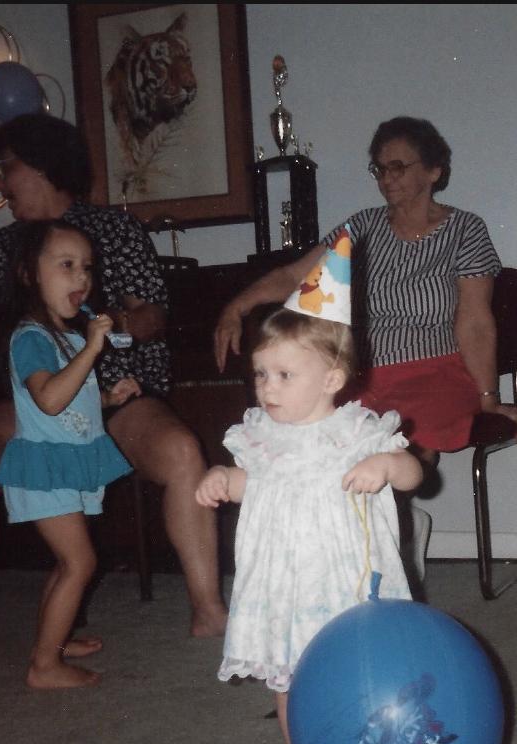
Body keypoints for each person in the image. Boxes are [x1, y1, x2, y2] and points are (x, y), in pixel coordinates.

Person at [0, 112, 228, 676]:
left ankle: (208, 610)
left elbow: (153, 317)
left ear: (43, 166)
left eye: (8, 168)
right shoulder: (2, 249)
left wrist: (101, 325)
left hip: (112, 393)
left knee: (182, 451)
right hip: (31, 402)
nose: (1, 183)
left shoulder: (113, 231)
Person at [214, 116, 517, 581]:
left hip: (436, 370)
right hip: (364, 372)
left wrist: (488, 398)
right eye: (379, 168)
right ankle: (347, 551)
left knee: (404, 441)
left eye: (399, 166)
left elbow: (475, 322)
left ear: (434, 170)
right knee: (323, 435)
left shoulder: (465, 230)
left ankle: (399, 531)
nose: (387, 178)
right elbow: (296, 275)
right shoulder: (362, 227)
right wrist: (237, 306)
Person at [196, 307, 423, 744]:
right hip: (285, 588)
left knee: (357, 676)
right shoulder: (260, 436)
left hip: (346, 585)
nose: (267, 386)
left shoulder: (356, 432)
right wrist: (224, 478)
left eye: (284, 375)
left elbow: (413, 475)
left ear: (331, 379)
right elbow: (255, 485)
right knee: (291, 680)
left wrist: (387, 464)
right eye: (261, 373)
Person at [0, 220, 137, 688]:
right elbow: (50, 400)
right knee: (80, 563)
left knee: (67, 562)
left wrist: (109, 398)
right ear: (28, 274)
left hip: (65, 464)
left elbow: (73, 401)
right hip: (45, 468)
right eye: (67, 265)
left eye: (87, 268)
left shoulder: (67, 338)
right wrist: (93, 348)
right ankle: (44, 666)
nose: (82, 278)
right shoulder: (31, 337)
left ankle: (52, 642)